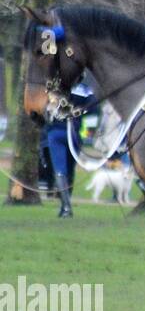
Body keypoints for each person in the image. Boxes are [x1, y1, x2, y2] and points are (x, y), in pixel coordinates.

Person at [43, 80, 96, 218]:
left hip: (56, 131)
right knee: (70, 168)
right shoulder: (84, 87)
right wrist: (80, 111)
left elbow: (44, 106)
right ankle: (66, 203)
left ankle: (66, 206)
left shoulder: (53, 86)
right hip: (74, 131)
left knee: (60, 169)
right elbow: (93, 106)